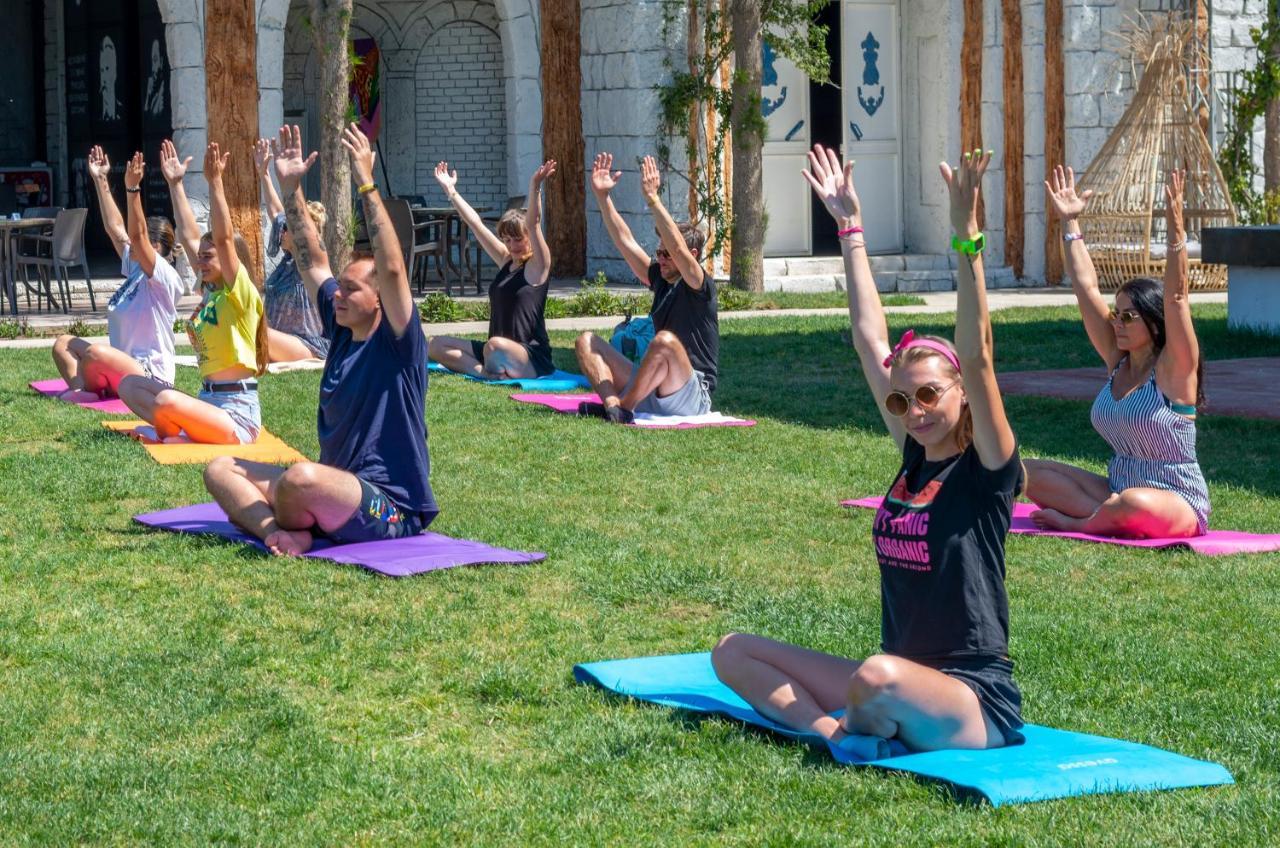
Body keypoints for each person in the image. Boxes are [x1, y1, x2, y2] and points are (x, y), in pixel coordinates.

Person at [711, 145, 1025, 754]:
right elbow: (867, 337)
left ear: (960, 393)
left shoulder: (987, 469)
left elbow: (979, 354)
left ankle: (862, 723)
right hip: (894, 677)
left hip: (972, 699)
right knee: (733, 651)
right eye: (903, 401)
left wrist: (967, 240)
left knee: (875, 676)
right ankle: (835, 731)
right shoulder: (913, 455)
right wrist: (850, 228)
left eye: (931, 393)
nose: (917, 411)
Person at [202, 123, 438, 556]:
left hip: (389, 506)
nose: (339, 295)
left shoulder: (399, 343)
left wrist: (366, 183)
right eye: (340, 287)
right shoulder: (341, 325)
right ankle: (279, 529)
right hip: (335, 487)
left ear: (381, 300)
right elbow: (314, 258)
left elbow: (393, 269)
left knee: (299, 479)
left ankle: (295, 520)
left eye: (352, 290)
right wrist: (290, 189)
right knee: (220, 469)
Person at [1024, 166, 1209, 538]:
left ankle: (1082, 523)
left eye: (1129, 316)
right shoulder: (1117, 359)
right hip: (1116, 488)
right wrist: (1071, 224)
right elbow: (1085, 287)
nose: (1118, 322)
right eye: (1116, 314)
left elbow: (1176, 299)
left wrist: (1176, 232)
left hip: (1174, 500)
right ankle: (1107, 517)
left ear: (1154, 324)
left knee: (1134, 504)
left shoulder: (1175, 369)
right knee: (1024, 472)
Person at [117, 142, 267, 445]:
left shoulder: (240, 293)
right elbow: (189, 234)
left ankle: (179, 431)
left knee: (166, 404)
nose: (200, 260)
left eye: (208, 257)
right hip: (207, 401)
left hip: (237, 413)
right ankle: (182, 431)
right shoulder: (210, 289)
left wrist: (215, 181)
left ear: (229, 260)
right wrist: (175, 185)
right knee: (130, 385)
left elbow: (223, 239)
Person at [574, 154, 719, 424]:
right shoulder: (661, 279)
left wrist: (653, 198)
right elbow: (625, 241)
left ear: (693, 254)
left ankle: (623, 410)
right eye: (659, 253)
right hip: (651, 386)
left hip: (691, 395)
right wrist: (603, 198)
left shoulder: (700, 285)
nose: (661, 259)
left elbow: (678, 247)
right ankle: (612, 405)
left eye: (667, 254)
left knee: (664, 341)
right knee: (586, 341)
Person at [51, 146, 183, 402]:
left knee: (96, 354)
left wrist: (133, 189)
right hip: (122, 367)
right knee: (63, 344)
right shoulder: (135, 268)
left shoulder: (162, 276)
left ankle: (90, 392)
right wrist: (100, 179)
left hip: (150, 376)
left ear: (153, 248)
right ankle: (84, 391)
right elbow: (116, 229)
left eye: (138, 244)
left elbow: (136, 235)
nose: (129, 244)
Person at [427, 160, 557, 379]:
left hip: (529, 356)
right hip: (493, 351)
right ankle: (486, 373)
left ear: (528, 239)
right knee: (435, 345)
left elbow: (534, 223)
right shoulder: (506, 260)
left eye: (517, 240)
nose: (512, 246)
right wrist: (451, 190)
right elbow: (475, 224)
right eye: (506, 240)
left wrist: (535, 187)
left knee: (494, 347)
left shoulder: (538, 266)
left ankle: (491, 366)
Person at [253, 137, 331, 362]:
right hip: (282, 341)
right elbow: (276, 212)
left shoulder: (309, 264)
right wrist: (264, 175)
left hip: (309, 345)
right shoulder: (287, 262)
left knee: (253, 328)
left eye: (287, 229)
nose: (281, 232)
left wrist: (292, 184)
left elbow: (300, 229)